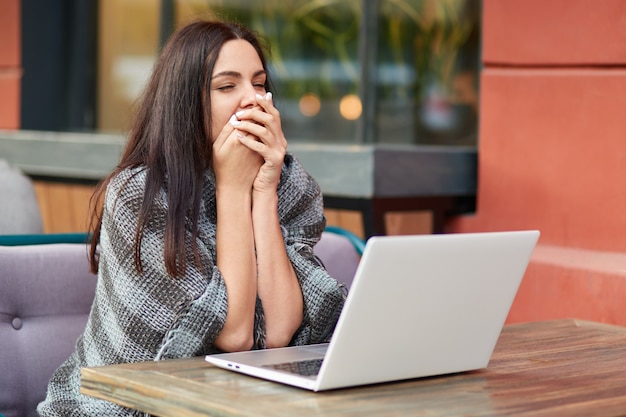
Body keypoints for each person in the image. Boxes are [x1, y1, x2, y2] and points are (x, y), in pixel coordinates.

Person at [38, 19, 345, 416]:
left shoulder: (288, 185)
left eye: (259, 83)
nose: (252, 100)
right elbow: (235, 335)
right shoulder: (138, 195)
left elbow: (278, 334)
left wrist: (263, 192)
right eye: (227, 86)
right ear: (187, 102)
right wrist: (233, 189)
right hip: (118, 407)